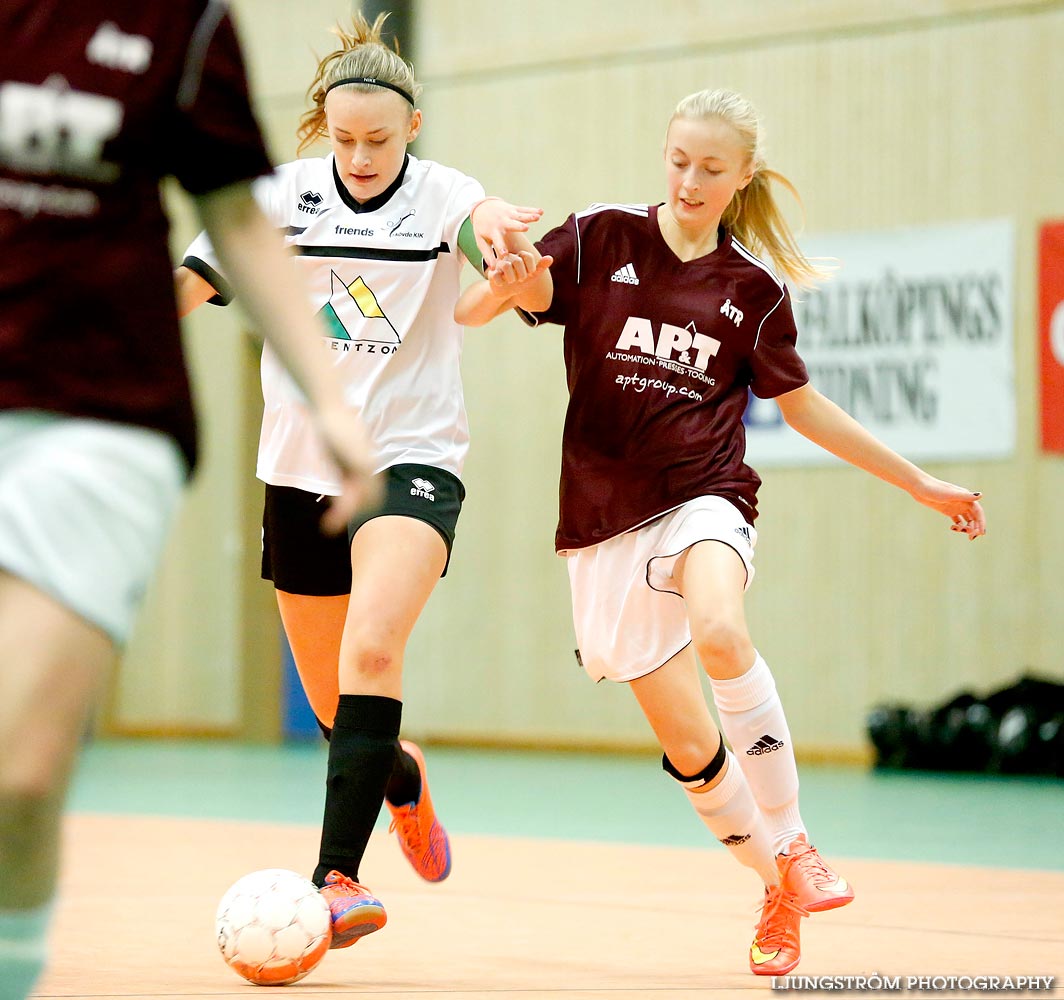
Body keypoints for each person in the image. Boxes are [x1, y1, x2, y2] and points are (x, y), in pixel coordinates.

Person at [455, 87, 986, 976]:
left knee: (722, 629)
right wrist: (500, 286)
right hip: (600, 522)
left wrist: (920, 483)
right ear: (663, 155)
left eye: (710, 167)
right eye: (678, 160)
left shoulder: (753, 290)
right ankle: (776, 880)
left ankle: (800, 843)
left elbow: (805, 409)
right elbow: (491, 305)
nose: (690, 179)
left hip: (707, 494)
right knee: (696, 755)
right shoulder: (602, 236)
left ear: (742, 179)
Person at [0, 3, 381, 998]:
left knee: (19, 773)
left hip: (100, 418)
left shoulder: (183, 26)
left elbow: (236, 223)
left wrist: (331, 401)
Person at [174, 12, 547, 950]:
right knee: (342, 706)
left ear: (412, 127)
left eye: (380, 138)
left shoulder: (443, 194)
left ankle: (336, 880)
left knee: (373, 651)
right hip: (300, 468)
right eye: (344, 137)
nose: (362, 154)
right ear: (322, 128)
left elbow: (484, 264)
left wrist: (502, 257)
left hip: (413, 456)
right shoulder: (283, 195)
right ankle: (402, 778)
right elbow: (191, 280)